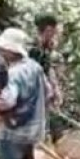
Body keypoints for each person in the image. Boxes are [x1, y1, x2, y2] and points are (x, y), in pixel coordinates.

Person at [0, 27, 49, 159]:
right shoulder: (35, 67)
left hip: (13, 131)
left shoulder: (13, 74)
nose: (0, 52)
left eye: (3, 49)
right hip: (33, 129)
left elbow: (7, 101)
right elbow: (48, 92)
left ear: (11, 50)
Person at [29, 13, 67, 144]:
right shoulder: (32, 48)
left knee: (52, 119)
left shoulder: (46, 47)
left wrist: (55, 88)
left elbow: (47, 67)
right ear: (49, 30)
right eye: (54, 31)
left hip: (43, 89)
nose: (55, 35)